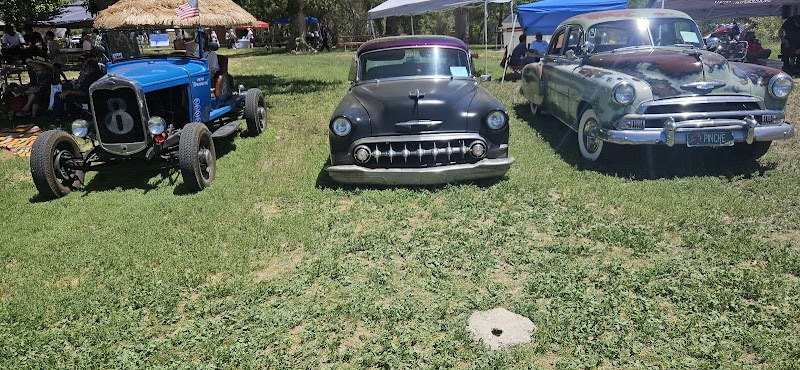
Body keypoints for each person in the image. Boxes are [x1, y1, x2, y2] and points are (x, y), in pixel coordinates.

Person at [52, 51, 105, 124]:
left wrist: (69, 91)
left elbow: (84, 92)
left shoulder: (91, 77)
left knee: (58, 95)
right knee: (66, 90)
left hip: (86, 99)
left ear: (89, 67)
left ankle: (57, 117)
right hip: (94, 98)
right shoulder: (102, 75)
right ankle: (70, 113)